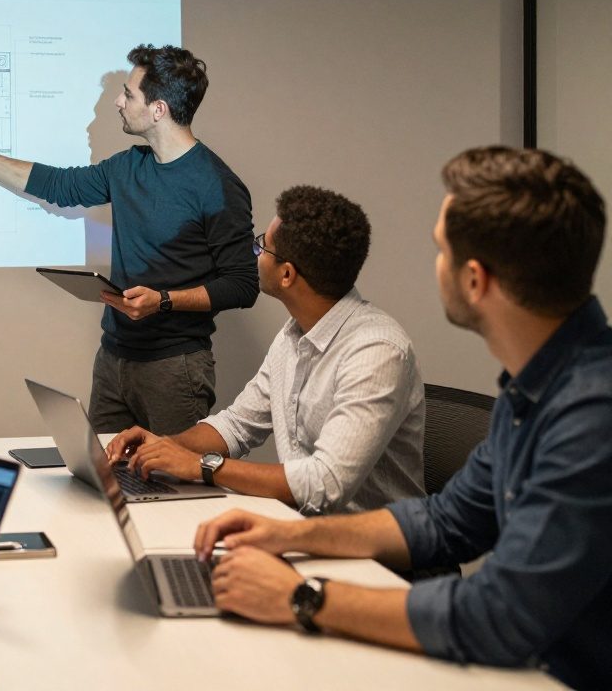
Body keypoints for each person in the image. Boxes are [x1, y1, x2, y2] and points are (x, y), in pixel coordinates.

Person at [193, 147, 612, 690]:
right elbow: (444, 522)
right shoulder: (536, 387)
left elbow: (501, 615)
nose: (436, 262)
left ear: (475, 280)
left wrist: (301, 596)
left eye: (441, 250)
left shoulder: (591, 414)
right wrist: (283, 536)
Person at [0, 44, 257, 434]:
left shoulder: (217, 185)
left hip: (175, 368)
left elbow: (243, 285)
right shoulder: (129, 165)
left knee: (174, 485)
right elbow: (60, 185)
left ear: (158, 109)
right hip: (113, 359)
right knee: (103, 479)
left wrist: (163, 301)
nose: (119, 101)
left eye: (129, 94)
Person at [107, 185, 425, 515]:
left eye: (262, 247)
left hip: (376, 555)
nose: (255, 254)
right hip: (303, 528)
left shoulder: (377, 352)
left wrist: (202, 466)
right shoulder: (294, 334)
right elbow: (236, 426)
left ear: (286, 275)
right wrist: (165, 447)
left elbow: (324, 485)